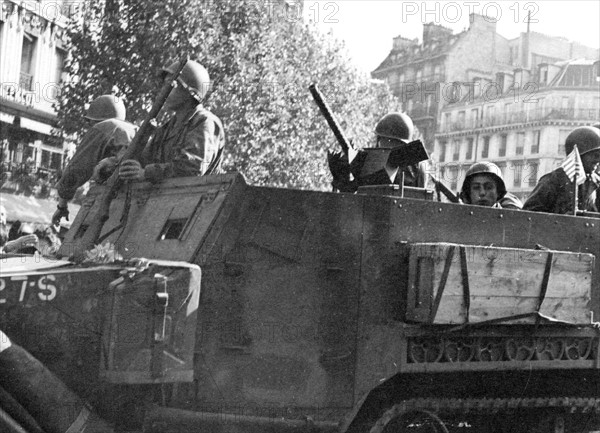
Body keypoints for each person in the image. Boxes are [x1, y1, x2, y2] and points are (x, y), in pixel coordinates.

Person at [118, 59, 225, 183]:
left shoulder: (205, 122)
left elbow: (192, 168)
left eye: (171, 85)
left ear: (190, 92)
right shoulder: (167, 128)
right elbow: (143, 157)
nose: (164, 91)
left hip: (198, 197)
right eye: (165, 84)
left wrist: (146, 173)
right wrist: (114, 165)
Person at [52, 95, 137, 225]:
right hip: (137, 199)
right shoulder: (135, 129)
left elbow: (76, 170)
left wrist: (62, 206)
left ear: (95, 120)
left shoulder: (105, 127)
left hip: (109, 200)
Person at [328, 112, 429, 192]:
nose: (379, 144)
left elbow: (358, 189)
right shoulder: (419, 162)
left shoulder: (390, 161)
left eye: (381, 139)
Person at [523, 126, 600, 214]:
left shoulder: (596, 182)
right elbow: (528, 216)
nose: (598, 160)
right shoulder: (552, 181)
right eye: (596, 155)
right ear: (579, 155)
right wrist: (563, 219)